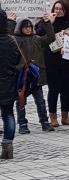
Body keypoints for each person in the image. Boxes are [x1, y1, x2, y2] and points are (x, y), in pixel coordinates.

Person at [13, 17, 55, 133]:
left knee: (40, 101)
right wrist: (11, 22)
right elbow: (8, 37)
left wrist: (47, 23)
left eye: (29, 27)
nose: (27, 29)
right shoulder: (16, 40)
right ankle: (22, 124)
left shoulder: (37, 39)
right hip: (22, 75)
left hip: (36, 75)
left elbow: (51, 37)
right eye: (25, 27)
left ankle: (44, 122)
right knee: (21, 101)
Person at [44, 0, 69, 127]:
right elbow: (39, 35)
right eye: (56, 8)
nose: (58, 11)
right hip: (51, 60)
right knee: (53, 89)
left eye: (61, 9)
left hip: (67, 60)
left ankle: (65, 115)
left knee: (65, 89)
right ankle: (53, 116)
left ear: (66, 10)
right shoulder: (47, 22)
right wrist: (49, 23)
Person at [0, 9, 19, 159]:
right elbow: (18, 60)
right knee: (8, 114)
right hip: (8, 82)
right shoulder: (11, 40)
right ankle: (8, 144)